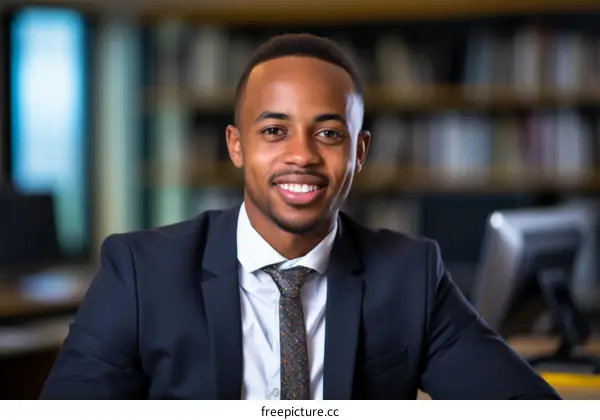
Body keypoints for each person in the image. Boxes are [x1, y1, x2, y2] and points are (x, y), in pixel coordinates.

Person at [41, 33, 560, 400]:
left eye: (329, 133)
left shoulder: (411, 273)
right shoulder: (139, 271)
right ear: (236, 145)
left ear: (359, 151)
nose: (303, 155)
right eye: (274, 131)